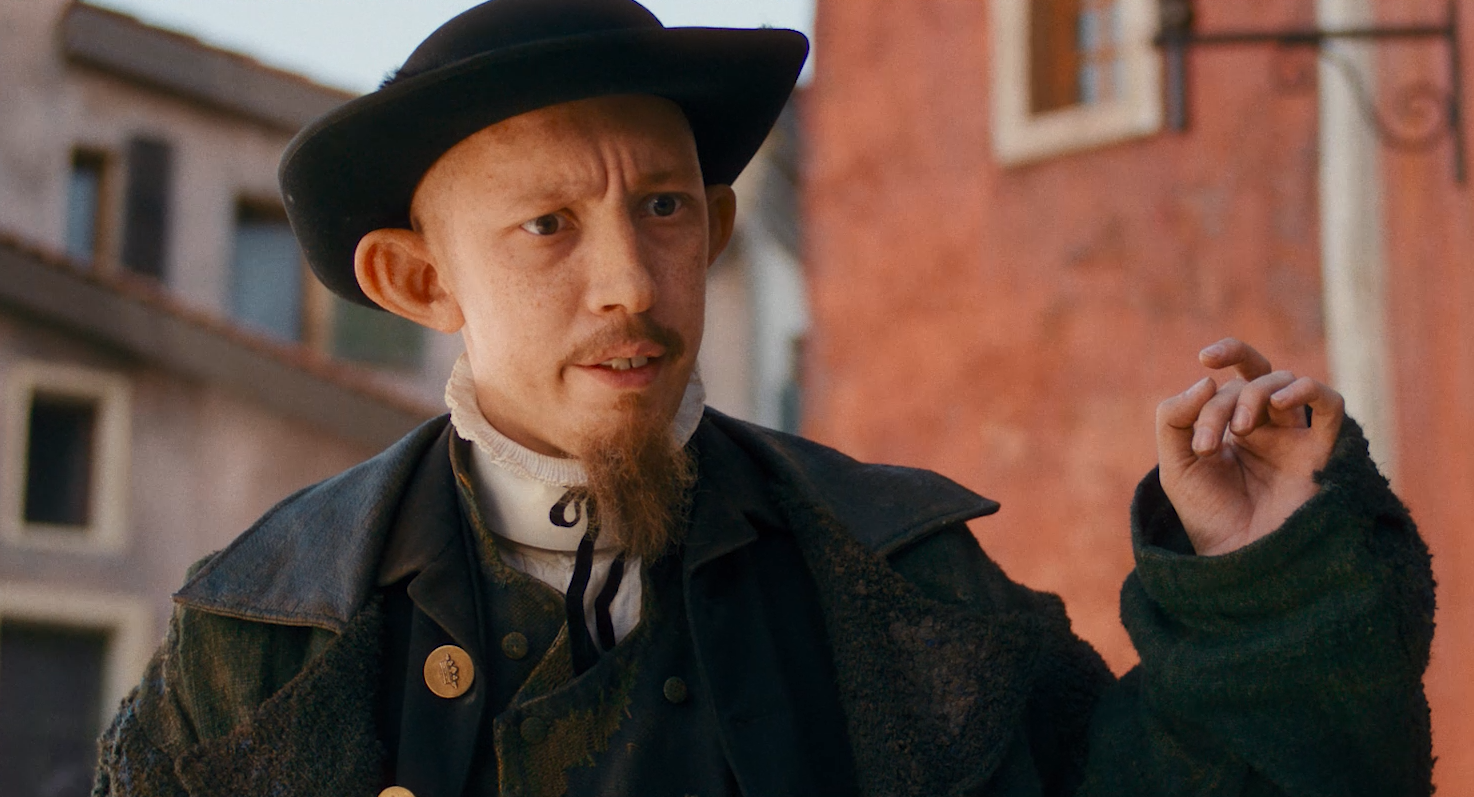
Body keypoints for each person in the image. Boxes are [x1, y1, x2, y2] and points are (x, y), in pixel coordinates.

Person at [92, 0, 1434, 795]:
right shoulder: (264, 636)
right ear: (418, 278)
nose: (631, 282)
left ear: (717, 227)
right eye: (548, 227)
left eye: (663, 208)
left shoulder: (902, 574)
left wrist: (1257, 576)